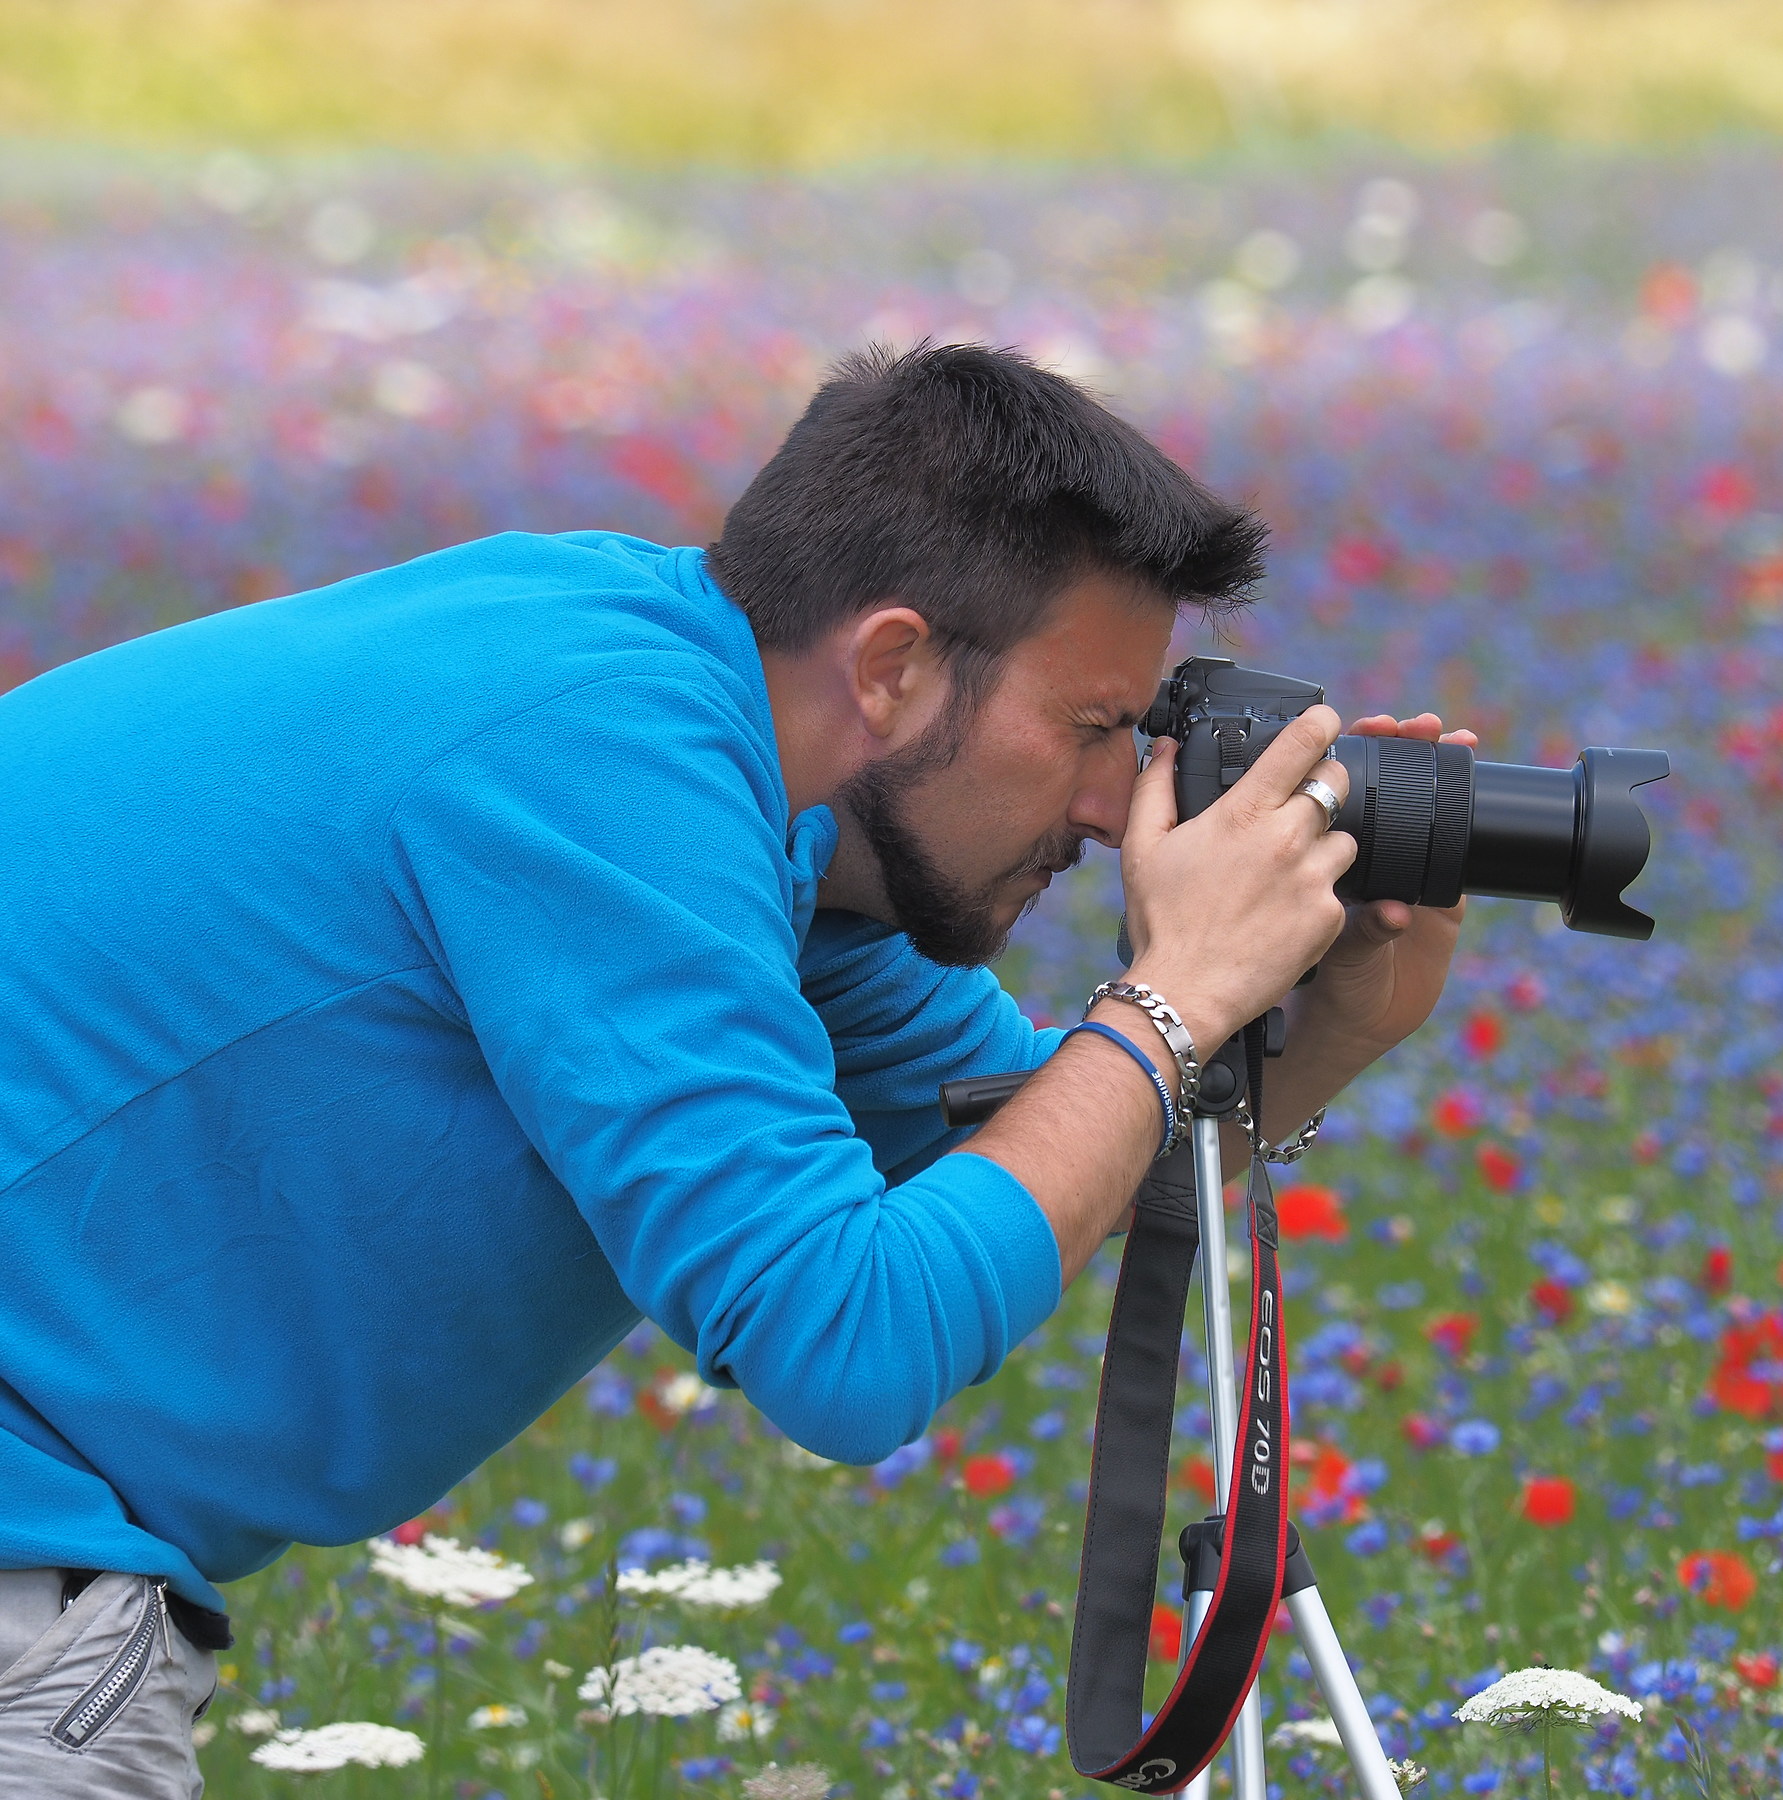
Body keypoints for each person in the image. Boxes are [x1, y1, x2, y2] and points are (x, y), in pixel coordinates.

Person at [0, 341, 1474, 1793]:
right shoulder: (605, 762)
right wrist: (1172, 997)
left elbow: (1039, 1156)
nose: (1113, 805)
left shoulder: (714, 754)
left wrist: (1323, 1021)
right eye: (1093, 730)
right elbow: (847, 1344)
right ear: (892, 666)